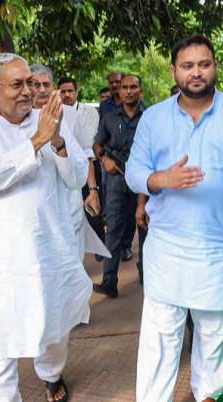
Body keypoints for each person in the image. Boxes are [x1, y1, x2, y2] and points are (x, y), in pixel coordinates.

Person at [126, 35, 223, 402]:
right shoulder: (154, 118)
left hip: (219, 244)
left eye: (204, 64)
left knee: (214, 330)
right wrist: (161, 179)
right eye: (187, 65)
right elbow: (134, 172)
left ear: (214, 67)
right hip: (167, 244)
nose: (196, 72)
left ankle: (207, 394)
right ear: (174, 70)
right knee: (161, 333)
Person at [0, 53, 91, 402]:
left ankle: (51, 374)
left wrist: (58, 141)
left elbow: (77, 177)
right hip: (1, 263)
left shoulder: (50, 120)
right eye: (17, 84)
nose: (27, 91)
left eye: (30, 84)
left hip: (49, 252)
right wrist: (36, 140)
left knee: (53, 329)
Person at [92, 74, 145, 298]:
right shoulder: (109, 117)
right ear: (120, 91)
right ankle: (109, 282)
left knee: (145, 229)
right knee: (113, 230)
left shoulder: (150, 117)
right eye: (125, 87)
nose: (129, 91)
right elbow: (97, 145)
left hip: (144, 181)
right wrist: (104, 159)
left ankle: (147, 278)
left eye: (133, 87)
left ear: (140, 91)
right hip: (116, 179)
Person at [58, 76, 105, 251]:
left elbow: (86, 144)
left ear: (77, 92)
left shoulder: (89, 113)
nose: (67, 95)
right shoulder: (54, 113)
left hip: (88, 165)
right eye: (63, 91)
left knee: (92, 207)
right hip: (65, 166)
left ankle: (99, 241)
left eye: (70, 91)